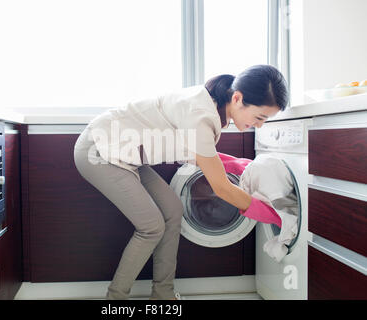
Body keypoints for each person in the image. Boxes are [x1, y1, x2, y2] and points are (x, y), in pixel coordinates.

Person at [73, 64, 289, 300]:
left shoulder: (211, 107)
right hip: (99, 151)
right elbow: (222, 188)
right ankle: (115, 300)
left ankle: (163, 295)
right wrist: (278, 217)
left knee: (173, 211)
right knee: (151, 227)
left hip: (126, 154)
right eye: (259, 117)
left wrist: (241, 164)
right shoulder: (200, 114)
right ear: (237, 98)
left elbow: (203, 155)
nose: (260, 125)